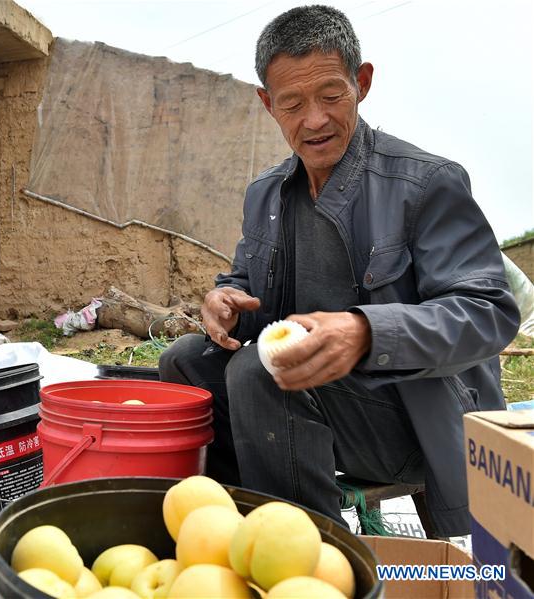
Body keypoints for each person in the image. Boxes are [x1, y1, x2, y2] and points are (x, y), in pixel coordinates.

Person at [159, 5, 519, 537]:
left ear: (362, 83)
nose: (314, 120)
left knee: (262, 370)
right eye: (292, 103)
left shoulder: (426, 183)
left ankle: (318, 559)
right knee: (185, 361)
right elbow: (245, 286)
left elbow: (489, 313)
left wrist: (367, 332)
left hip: (410, 424)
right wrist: (227, 300)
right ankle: (238, 528)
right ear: (267, 104)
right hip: (314, 406)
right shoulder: (266, 195)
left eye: (331, 96)